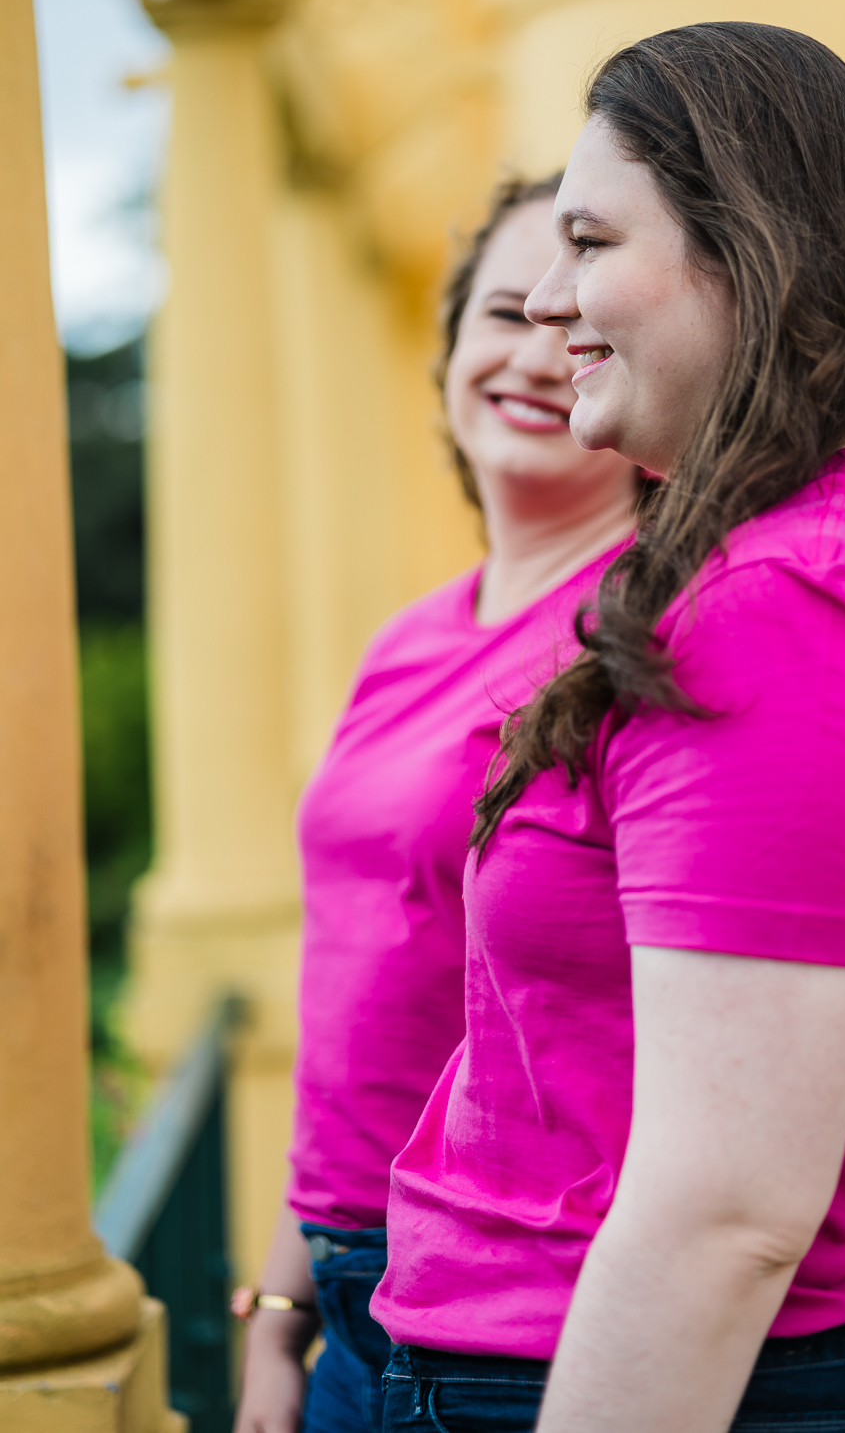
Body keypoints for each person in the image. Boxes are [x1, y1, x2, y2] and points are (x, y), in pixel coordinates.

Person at [371, 23, 845, 1432]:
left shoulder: (798, 598)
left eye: (588, 240)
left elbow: (727, 1214)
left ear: (748, 251)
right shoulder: (820, 552)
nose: (550, 304)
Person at [232, 175, 642, 1433]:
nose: (532, 356)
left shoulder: (645, 630)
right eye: (503, 313)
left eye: (570, 330)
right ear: (452, 345)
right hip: (346, 1283)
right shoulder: (409, 637)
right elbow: (355, 987)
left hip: (507, 1320)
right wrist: (277, 1319)